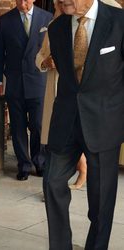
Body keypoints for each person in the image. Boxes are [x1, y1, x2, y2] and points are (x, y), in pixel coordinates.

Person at [43, 0, 124, 249]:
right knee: (52, 182)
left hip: (104, 123)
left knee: (100, 201)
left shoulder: (119, 21)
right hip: (65, 122)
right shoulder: (56, 28)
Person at [0, 0, 52, 181]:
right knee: (17, 127)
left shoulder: (47, 18)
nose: (22, 3)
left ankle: (40, 162)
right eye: (19, 0)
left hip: (39, 81)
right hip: (15, 82)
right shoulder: (5, 20)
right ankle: (24, 165)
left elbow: (54, 48)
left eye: (26, 0)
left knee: (39, 125)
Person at [36, 0, 87, 190]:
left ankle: (82, 171)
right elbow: (40, 55)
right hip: (55, 87)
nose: (60, 7)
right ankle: (55, 183)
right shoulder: (53, 27)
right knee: (57, 138)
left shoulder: (83, 24)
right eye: (57, 5)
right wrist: (45, 62)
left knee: (77, 134)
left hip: (77, 89)